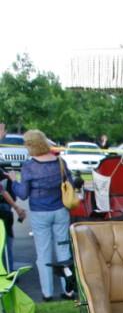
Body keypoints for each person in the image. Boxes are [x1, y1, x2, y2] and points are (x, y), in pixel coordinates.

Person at [9, 129, 73, 301]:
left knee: (43, 253)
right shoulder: (60, 162)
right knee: (64, 251)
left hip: (40, 213)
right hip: (61, 211)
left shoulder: (30, 166)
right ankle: (69, 290)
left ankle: (47, 293)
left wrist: (14, 180)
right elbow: (70, 183)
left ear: (30, 145)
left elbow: (23, 194)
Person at [0, 165, 26, 272]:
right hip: (3, 210)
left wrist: (16, 208)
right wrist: (16, 208)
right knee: (6, 242)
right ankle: (8, 270)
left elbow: (3, 191)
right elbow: (3, 192)